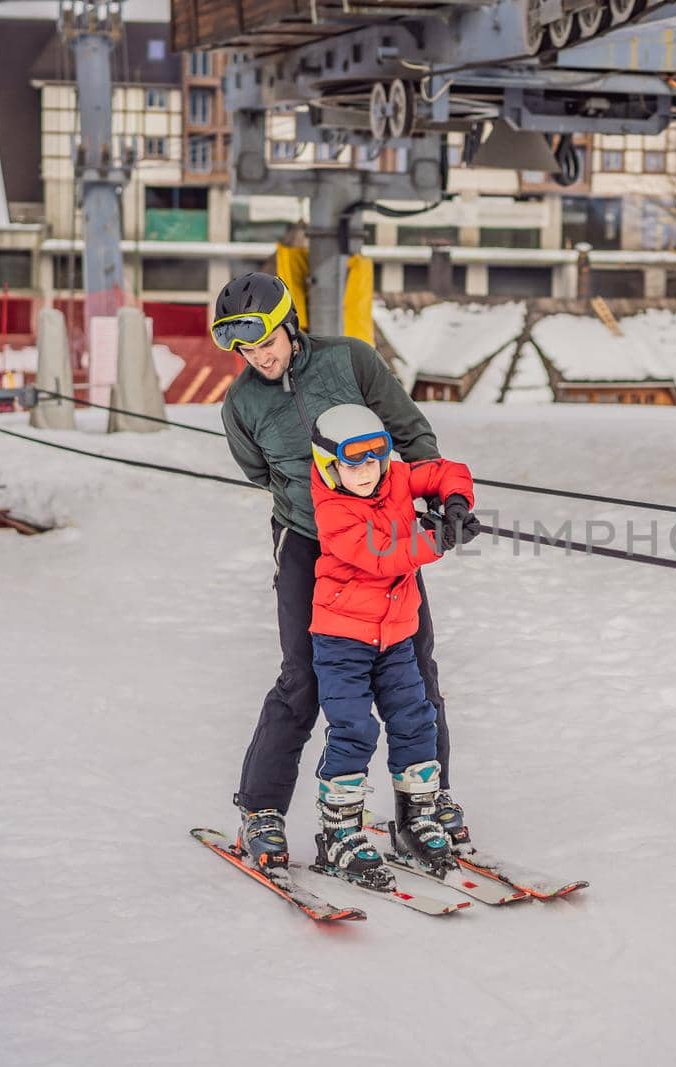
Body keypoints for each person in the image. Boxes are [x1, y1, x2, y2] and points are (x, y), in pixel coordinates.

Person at [213, 272, 474, 874]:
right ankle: (261, 810)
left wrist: (441, 501)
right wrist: (320, 509)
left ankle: (424, 805)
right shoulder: (242, 402)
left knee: (413, 663)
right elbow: (261, 473)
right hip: (308, 542)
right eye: (246, 350)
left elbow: (409, 432)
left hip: (386, 536)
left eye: (266, 342)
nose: (260, 357)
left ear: (289, 325)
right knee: (304, 676)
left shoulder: (349, 361)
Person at [306, 404, 478, 887]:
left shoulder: (395, 478)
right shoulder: (333, 508)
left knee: (415, 719)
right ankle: (338, 830)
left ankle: (416, 819)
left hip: (397, 634)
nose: (364, 472)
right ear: (327, 464)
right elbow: (380, 555)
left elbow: (447, 471)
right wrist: (436, 540)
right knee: (355, 728)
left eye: (374, 459)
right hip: (342, 640)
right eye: (351, 463)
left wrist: (456, 504)